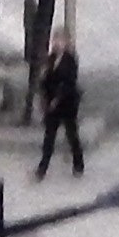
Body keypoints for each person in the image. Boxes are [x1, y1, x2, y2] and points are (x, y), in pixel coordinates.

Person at [32, 34, 88, 180]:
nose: (57, 43)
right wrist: (44, 88)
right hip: (52, 105)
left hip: (67, 103)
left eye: (60, 40)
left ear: (66, 42)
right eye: (55, 40)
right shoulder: (50, 59)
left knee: (72, 134)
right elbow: (45, 81)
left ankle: (78, 163)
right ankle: (42, 168)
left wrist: (57, 98)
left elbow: (69, 82)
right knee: (49, 137)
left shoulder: (70, 60)